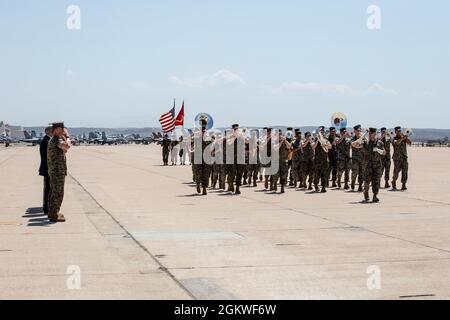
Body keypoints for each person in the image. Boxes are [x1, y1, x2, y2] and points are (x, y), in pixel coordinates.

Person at [352, 128, 385, 202]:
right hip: (367, 166)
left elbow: (384, 153)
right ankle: (366, 193)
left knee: (376, 182)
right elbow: (354, 145)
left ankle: (375, 196)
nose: (370, 135)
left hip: (377, 166)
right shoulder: (366, 143)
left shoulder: (379, 143)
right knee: (367, 182)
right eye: (369, 134)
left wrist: (378, 150)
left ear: (375, 134)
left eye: (371, 133)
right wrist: (361, 137)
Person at [47, 122, 70, 222]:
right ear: (56, 130)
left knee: (54, 192)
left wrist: (64, 138)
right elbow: (66, 147)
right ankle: (54, 214)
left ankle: (53, 212)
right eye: (61, 129)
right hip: (57, 171)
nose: (63, 130)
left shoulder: (56, 139)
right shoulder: (56, 140)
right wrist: (68, 137)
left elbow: (64, 151)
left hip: (56, 171)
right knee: (57, 193)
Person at [312, 126, 332, 193]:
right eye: (321, 132)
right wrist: (318, 139)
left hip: (324, 160)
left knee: (324, 174)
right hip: (317, 160)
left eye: (322, 132)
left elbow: (330, 147)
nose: (322, 133)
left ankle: (323, 187)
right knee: (317, 174)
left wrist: (325, 145)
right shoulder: (315, 140)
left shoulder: (326, 140)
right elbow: (313, 147)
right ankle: (316, 185)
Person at [392, 126, 411, 190]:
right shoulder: (394, 138)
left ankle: (404, 184)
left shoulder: (403, 138)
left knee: (405, 171)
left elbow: (409, 143)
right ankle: (393, 181)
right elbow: (396, 143)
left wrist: (406, 138)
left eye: (400, 131)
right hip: (397, 158)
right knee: (396, 172)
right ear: (395, 132)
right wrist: (402, 138)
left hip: (404, 157)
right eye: (398, 131)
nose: (399, 132)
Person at [39, 126, 52, 215]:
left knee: (47, 188)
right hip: (48, 168)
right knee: (48, 189)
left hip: (46, 167)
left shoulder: (46, 140)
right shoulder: (47, 142)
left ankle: (46, 207)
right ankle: (46, 208)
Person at [350, 125, 366, 192]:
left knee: (361, 173)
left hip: (362, 158)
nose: (359, 132)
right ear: (354, 131)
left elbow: (365, 145)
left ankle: (360, 186)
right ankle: (353, 182)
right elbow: (353, 144)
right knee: (355, 172)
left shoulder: (364, 138)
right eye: (357, 131)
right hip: (355, 159)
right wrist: (358, 143)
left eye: (360, 130)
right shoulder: (353, 138)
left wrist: (361, 142)